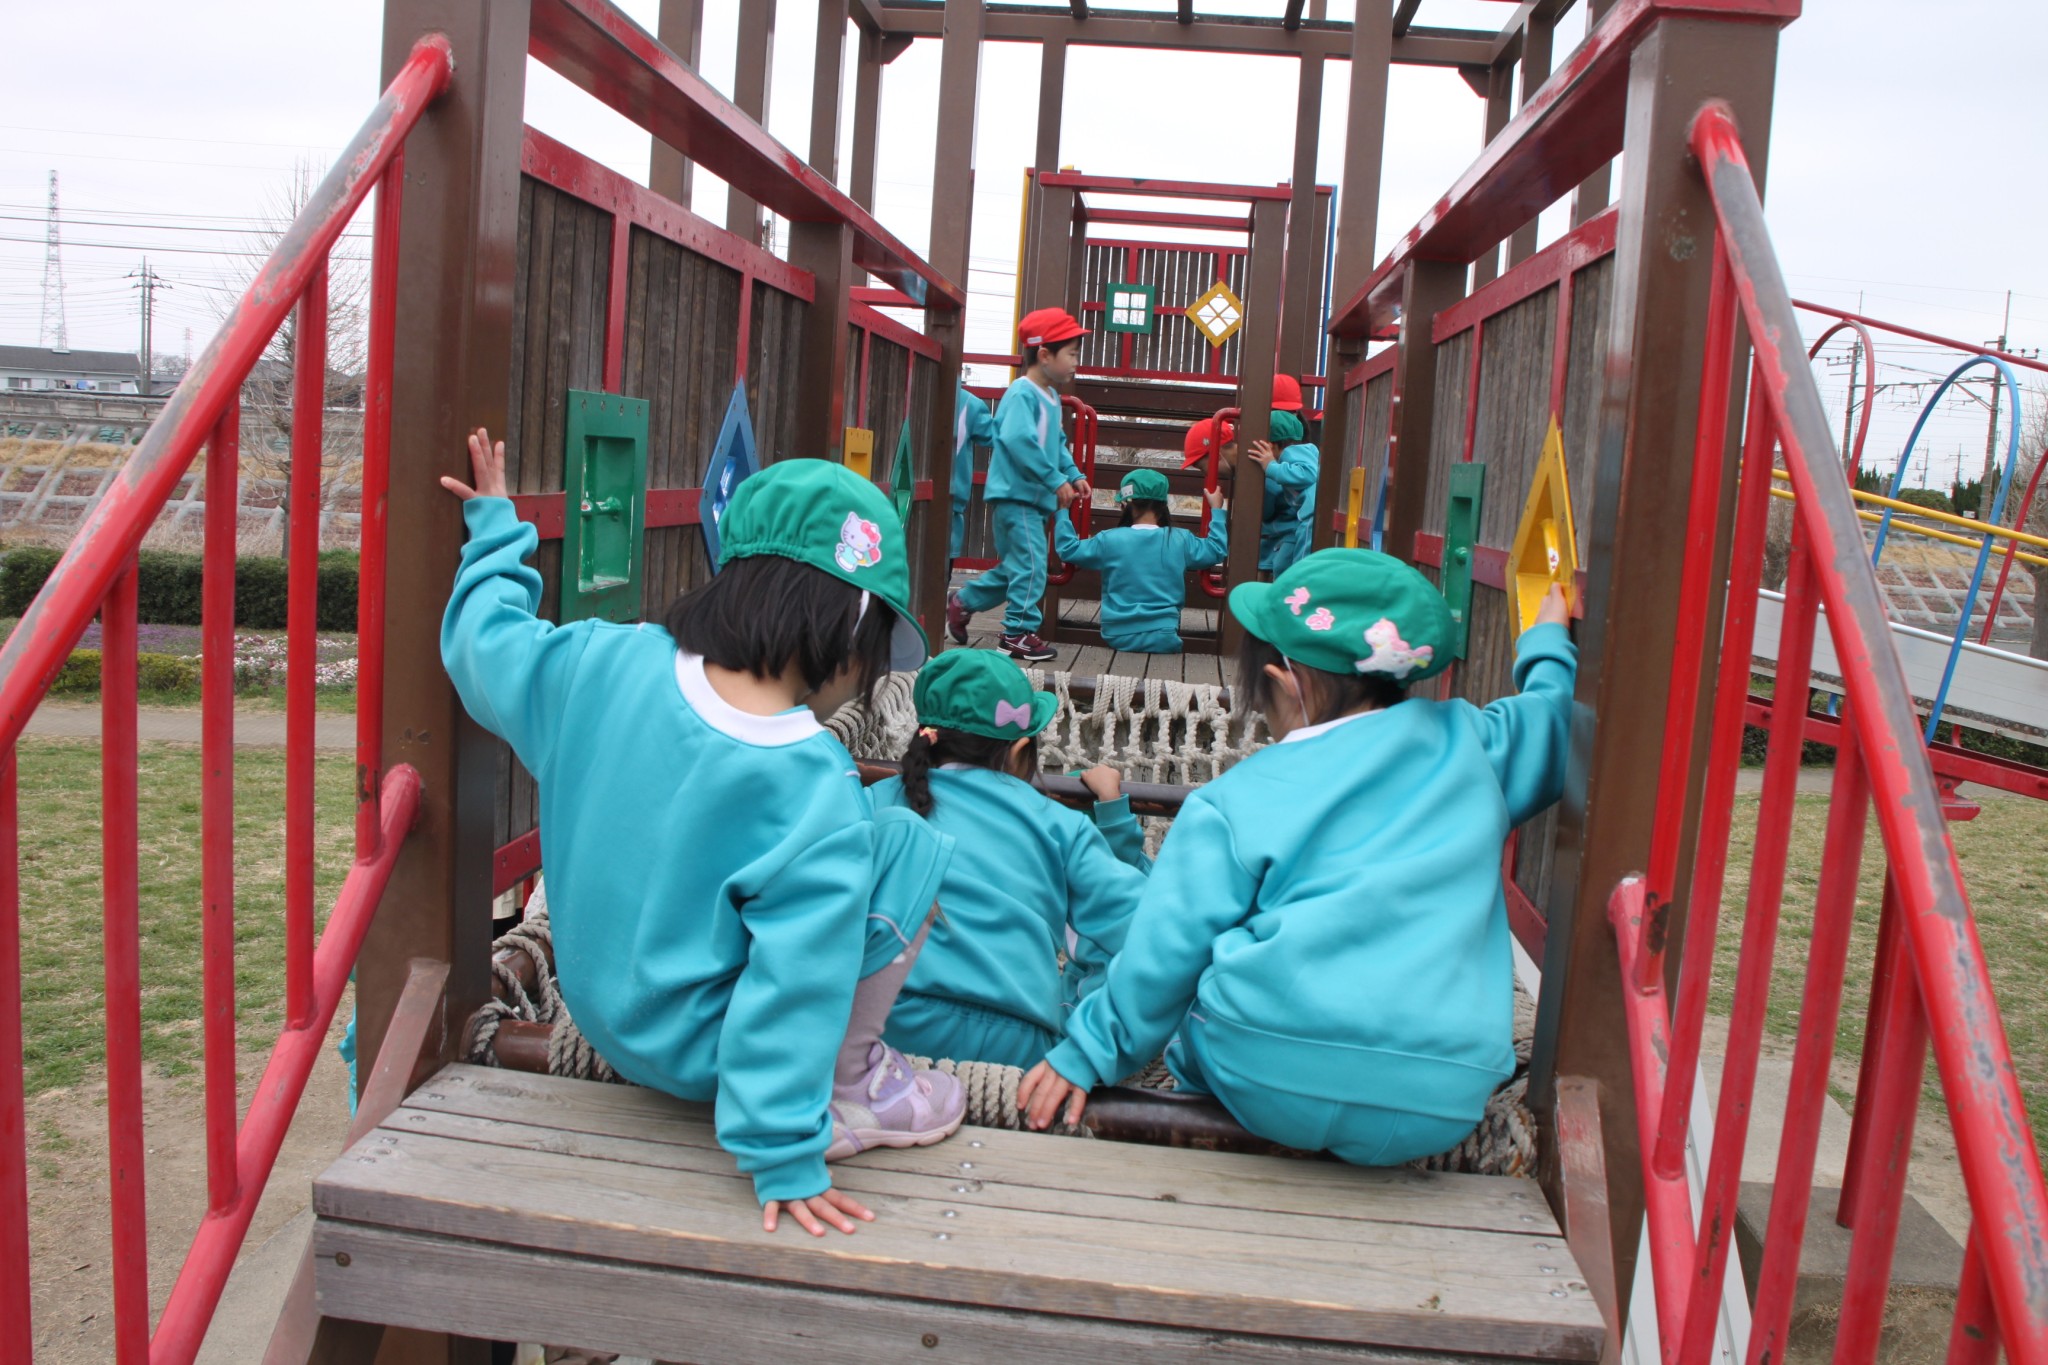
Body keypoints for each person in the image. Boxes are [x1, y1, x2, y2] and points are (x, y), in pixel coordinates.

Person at [441, 429, 965, 1239]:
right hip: (700, 1058)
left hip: (600, 1008)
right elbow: (793, 982)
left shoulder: (597, 663)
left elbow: (485, 645)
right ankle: (848, 1085)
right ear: (847, 626)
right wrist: (783, 1153)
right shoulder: (812, 787)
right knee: (908, 845)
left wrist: (494, 527)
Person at [1018, 549, 1577, 1167]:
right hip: (1444, 1092)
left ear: (1287, 684)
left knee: (1199, 994)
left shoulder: (1235, 799)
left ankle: (1190, 1100)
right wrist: (1549, 639)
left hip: (1266, 1072)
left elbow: (1164, 953)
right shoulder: (1477, 747)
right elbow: (1552, 718)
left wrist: (1085, 1052)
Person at [868, 649, 1152, 1069]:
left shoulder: (871, 802)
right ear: (1020, 751)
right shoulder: (1059, 823)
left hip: (882, 1022)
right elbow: (1146, 927)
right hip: (1016, 1039)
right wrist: (1113, 818)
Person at [947, 308, 1092, 662]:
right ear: (1044, 355)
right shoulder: (1021, 394)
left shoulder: (1050, 398)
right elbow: (1017, 440)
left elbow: (1056, 445)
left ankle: (963, 602)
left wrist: (1073, 473)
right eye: (1071, 354)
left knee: (1018, 567)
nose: (1076, 362)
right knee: (1031, 565)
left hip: (1032, 500)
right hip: (1016, 497)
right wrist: (1055, 479)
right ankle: (1016, 633)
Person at [1051, 466, 1228, 653]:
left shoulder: (1109, 539)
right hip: (1164, 633)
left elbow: (1068, 549)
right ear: (1163, 505)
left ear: (1126, 504)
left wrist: (1063, 511)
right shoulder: (1180, 539)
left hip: (1116, 633)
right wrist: (1217, 510)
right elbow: (1216, 550)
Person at [1251, 374, 1320, 575]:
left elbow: (1309, 473)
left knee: (1301, 566)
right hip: (1303, 516)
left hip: (1309, 514)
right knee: (1287, 563)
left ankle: (1298, 583)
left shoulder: (1292, 452)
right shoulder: (1301, 447)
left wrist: (1271, 467)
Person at [948, 378, 997, 563]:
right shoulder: (968, 403)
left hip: (948, 505)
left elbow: (1000, 435)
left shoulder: (969, 404)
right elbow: (1002, 436)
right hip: (950, 502)